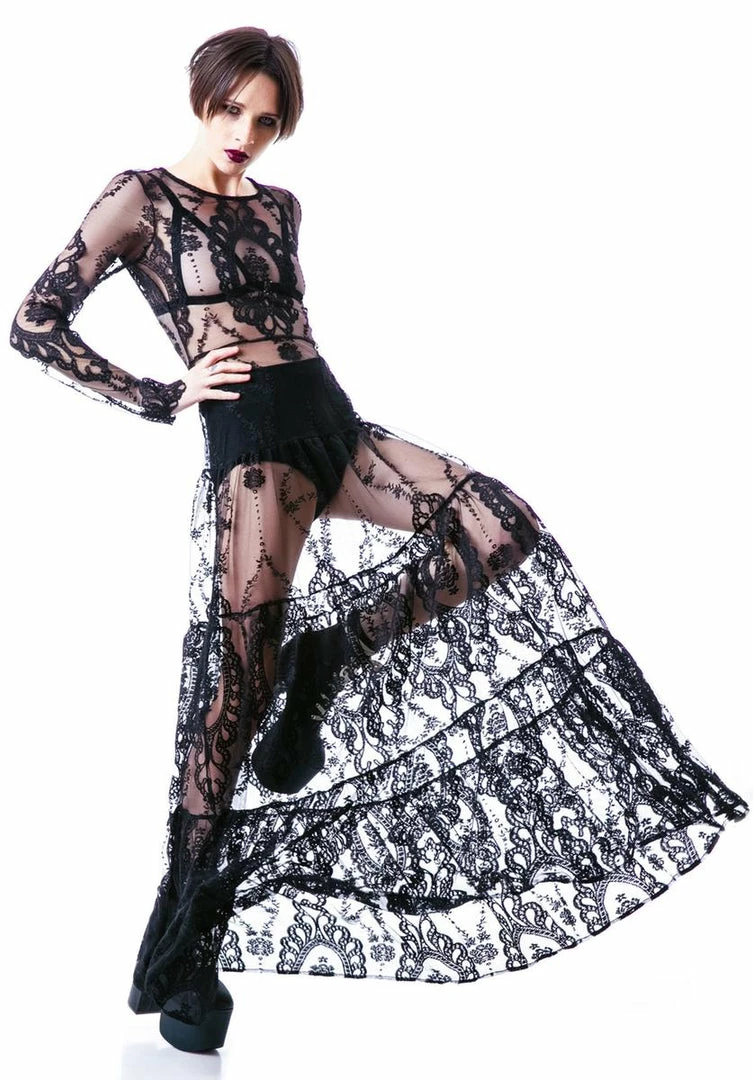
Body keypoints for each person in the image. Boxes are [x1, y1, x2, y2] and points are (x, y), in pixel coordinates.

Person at [9, 25, 749, 1055]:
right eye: (232, 111)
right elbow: (34, 323)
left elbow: (292, 330)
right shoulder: (140, 197)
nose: (246, 134)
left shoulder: (280, 206)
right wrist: (160, 394)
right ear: (201, 96)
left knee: (497, 526)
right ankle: (185, 947)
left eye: (267, 120)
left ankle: (331, 652)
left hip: (334, 426)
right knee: (233, 699)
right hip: (253, 453)